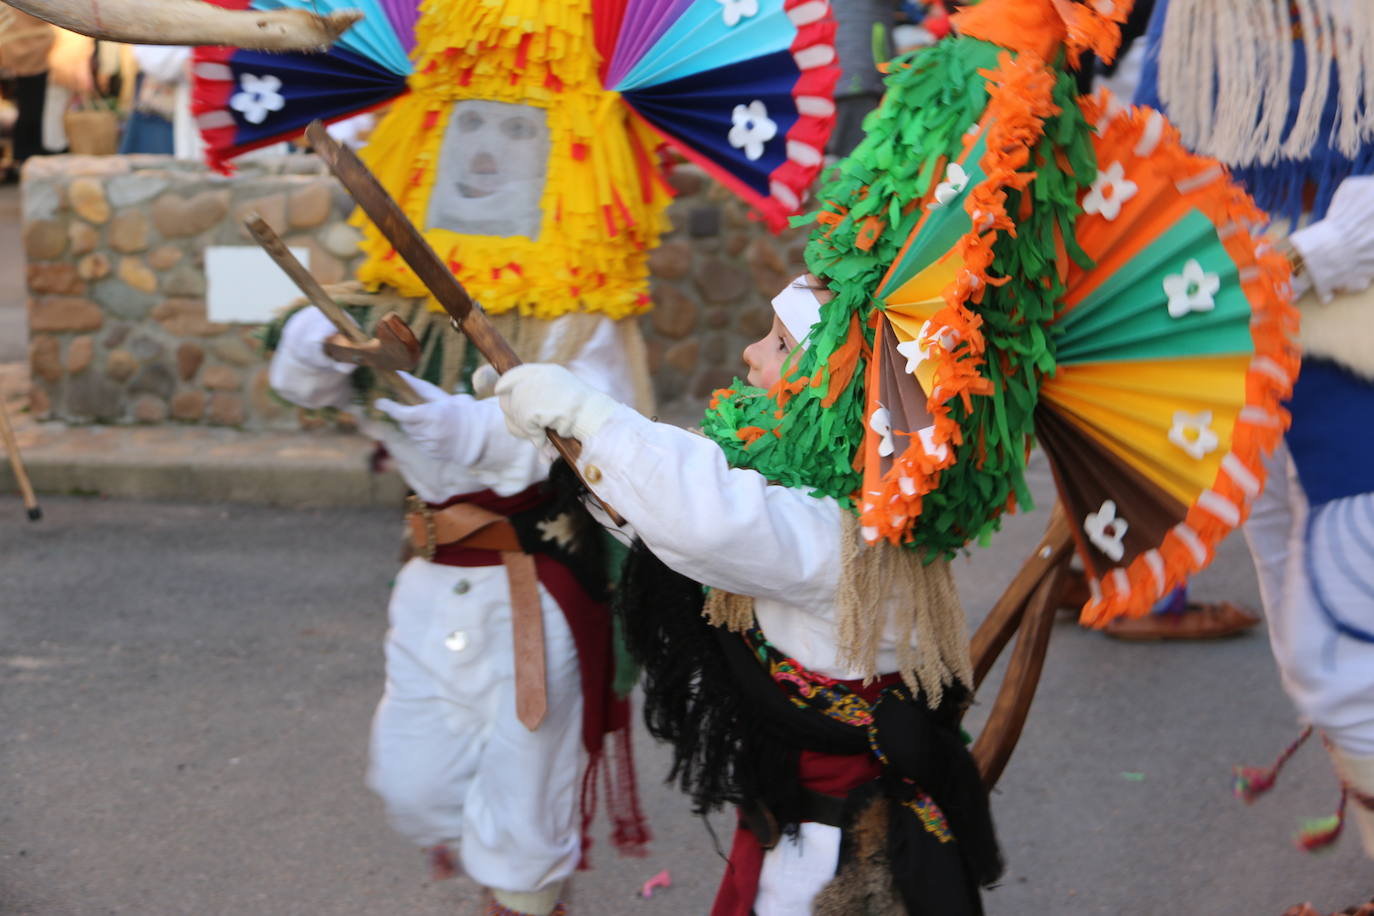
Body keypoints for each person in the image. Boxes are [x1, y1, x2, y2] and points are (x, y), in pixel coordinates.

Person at [483, 275, 1002, 916]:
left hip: (839, 850)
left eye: (781, 344)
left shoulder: (849, 535)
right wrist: (574, 445)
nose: (753, 354)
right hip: (800, 817)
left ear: (839, 400)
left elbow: (713, 520)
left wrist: (588, 416)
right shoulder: (843, 502)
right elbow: (684, 512)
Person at [270, 306, 649, 916]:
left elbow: (595, 423)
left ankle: (524, 895)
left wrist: (472, 427)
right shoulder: (396, 298)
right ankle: (505, 868)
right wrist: (313, 342)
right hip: (431, 582)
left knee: (526, 801)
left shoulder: (579, 318)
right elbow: (306, 385)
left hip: (538, 589)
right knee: (413, 782)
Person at [1134, 1, 1374, 912]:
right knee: (1297, 619)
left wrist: (1294, 262)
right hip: (1237, 350)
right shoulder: (1189, 18)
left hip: (1348, 345)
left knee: (1344, 632)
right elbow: (1161, 159)